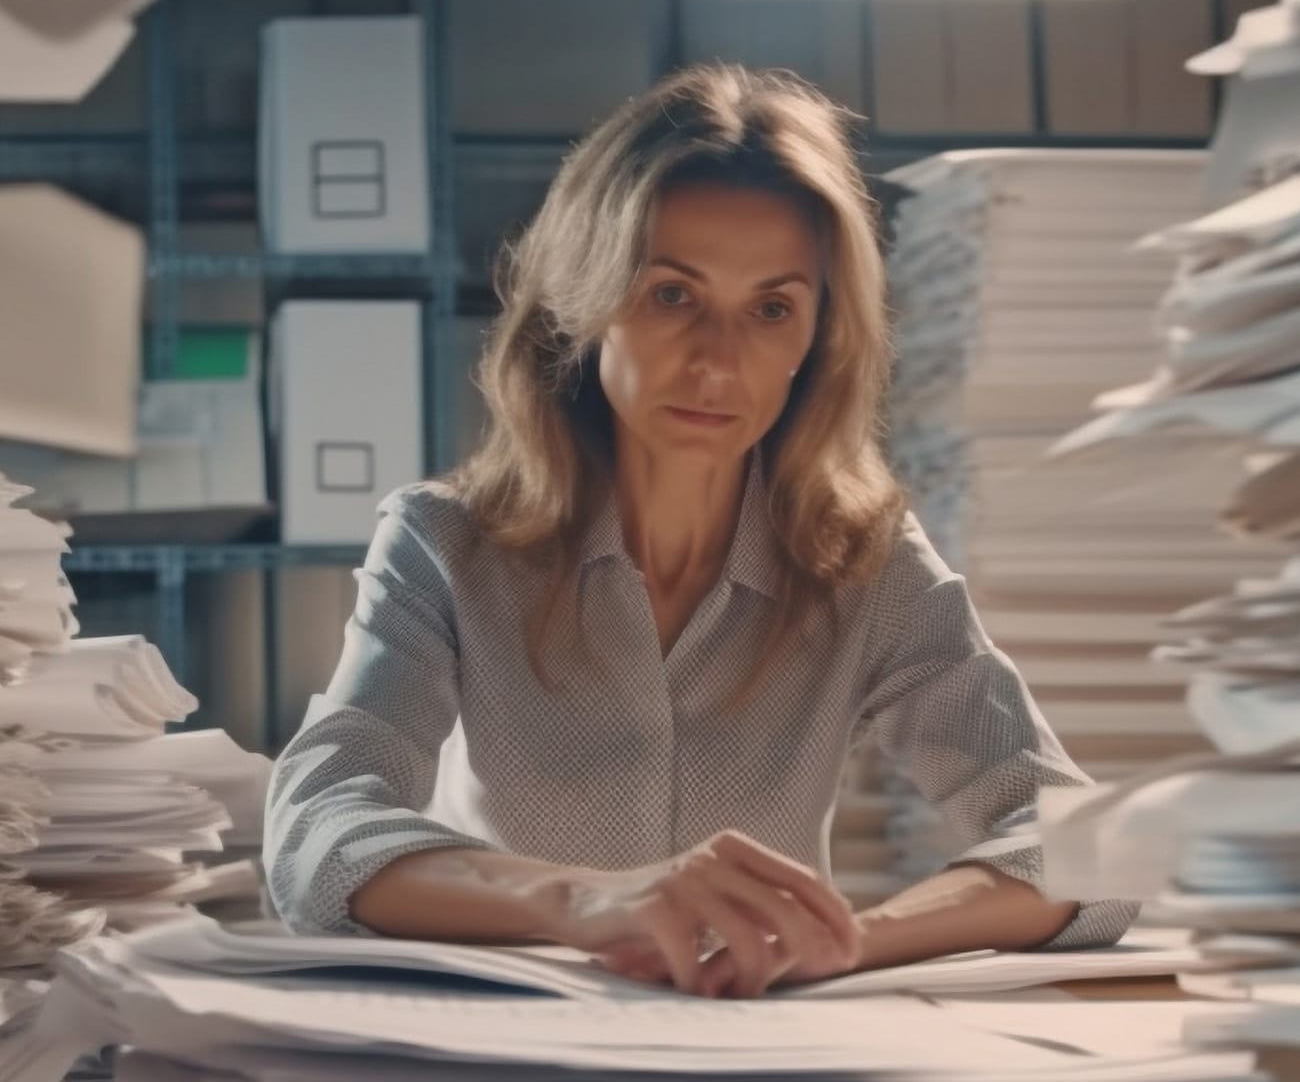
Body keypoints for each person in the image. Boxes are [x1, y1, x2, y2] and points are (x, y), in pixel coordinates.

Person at [264, 64, 1136, 1000]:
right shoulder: (446, 545)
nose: (720, 361)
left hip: (761, 1058)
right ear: (587, 296)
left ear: (818, 338)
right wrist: (590, 901)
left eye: (771, 309)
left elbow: (1086, 845)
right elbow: (317, 832)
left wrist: (853, 939)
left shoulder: (865, 566)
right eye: (672, 295)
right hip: (510, 1054)